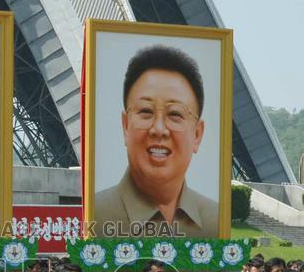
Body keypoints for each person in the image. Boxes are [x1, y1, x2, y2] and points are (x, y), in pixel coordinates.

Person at [93, 45, 217, 238]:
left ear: (197, 135)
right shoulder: (95, 216)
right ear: (126, 126)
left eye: (175, 114)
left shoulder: (215, 222)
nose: (159, 129)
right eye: (145, 111)